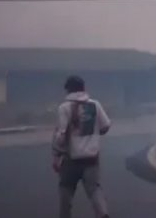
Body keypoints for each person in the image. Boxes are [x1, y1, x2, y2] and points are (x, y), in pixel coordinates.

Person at [52, 75, 111, 218]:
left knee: (66, 189)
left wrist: (56, 155)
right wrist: (94, 133)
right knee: (94, 189)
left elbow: (61, 134)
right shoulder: (94, 105)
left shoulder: (64, 108)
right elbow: (106, 125)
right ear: (84, 88)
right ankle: (103, 214)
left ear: (68, 90)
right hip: (92, 158)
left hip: (71, 159)